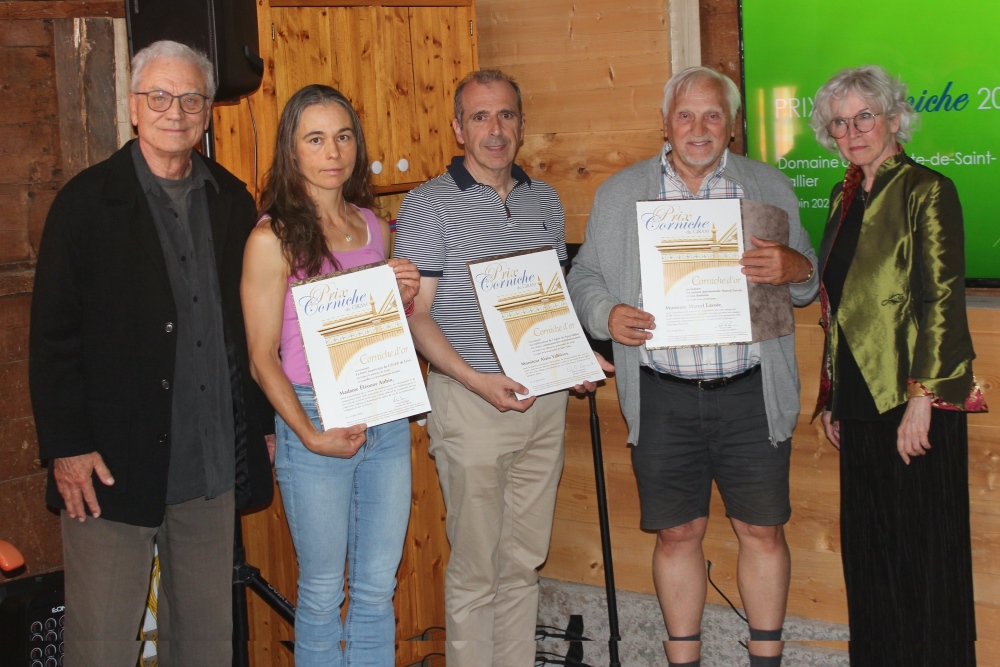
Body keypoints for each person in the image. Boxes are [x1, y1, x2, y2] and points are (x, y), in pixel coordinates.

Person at [28, 40, 273, 667]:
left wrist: (260, 426)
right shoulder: (84, 204)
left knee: (205, 649)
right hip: (109, 470)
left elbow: (251, 326)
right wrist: (67, 447)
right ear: (133, 108)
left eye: (191, 99)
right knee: (101, 647)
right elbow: (53, 338)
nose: (176, 112)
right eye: (159, 97)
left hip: (209, 466)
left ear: (208, 111)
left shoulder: (232, 201)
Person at [567, 66, 819, 667]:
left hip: (751, 392)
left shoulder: (767, 185)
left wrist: (795, 268)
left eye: (712, 115)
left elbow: (807, 279)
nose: (698, 128)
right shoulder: (621, 192)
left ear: (731, 126)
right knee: (677, 532)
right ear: (666, 123)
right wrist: (606, 314)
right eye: (686, 115)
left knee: (762, 530)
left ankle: (766, 660)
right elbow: (585, 277)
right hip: (662, 394)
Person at [394, 69, 611, 666]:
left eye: (506, 115)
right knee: (476, 570)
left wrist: (574, 358)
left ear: (521, 124)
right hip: (472, 405)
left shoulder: (546, 201)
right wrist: (477, 381)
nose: (496, 129)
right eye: (481, 117)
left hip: (543, 405)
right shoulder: (428, 204)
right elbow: (417, 317)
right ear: (458, 128)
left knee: (522, 564)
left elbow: (552, 305)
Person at [808, 65, 986, 667]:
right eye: (839, 122)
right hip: (859, 407)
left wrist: (922, 399)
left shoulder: (927, 190)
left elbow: (942, 300)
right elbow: (839, 306)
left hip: (915, 406)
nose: (852, 131)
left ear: (892, 119)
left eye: (864, 116)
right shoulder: (842, 197)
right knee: (871, 564)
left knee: (923, 564)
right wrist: (833, 397)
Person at [241, 84, 420, 666]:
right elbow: (261, 357)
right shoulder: (271, 238)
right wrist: (309, 435)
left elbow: (381, 331)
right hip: (313, 415)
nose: (333, 152)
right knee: (321, 592)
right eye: (315, 139)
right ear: (291, 151)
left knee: (376, 588)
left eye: (343, 136)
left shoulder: (374, 227)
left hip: (385, 416)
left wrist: (403, 296)